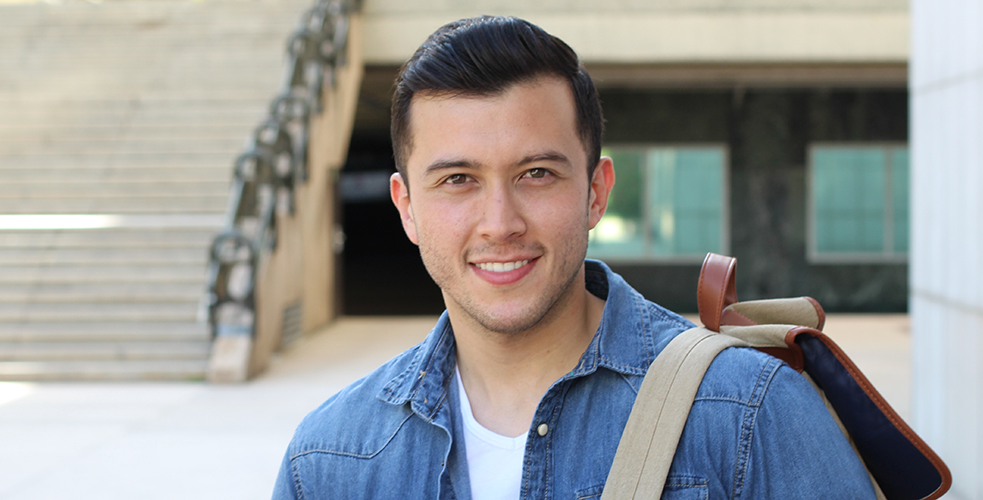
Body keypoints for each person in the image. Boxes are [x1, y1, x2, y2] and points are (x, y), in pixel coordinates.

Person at [272, 16, 876, 500]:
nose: (500, 223)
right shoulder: (328, 460)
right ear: (407, 208)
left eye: (536, 173)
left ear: (596, 192)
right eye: (458, 179)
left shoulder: (751, 413)